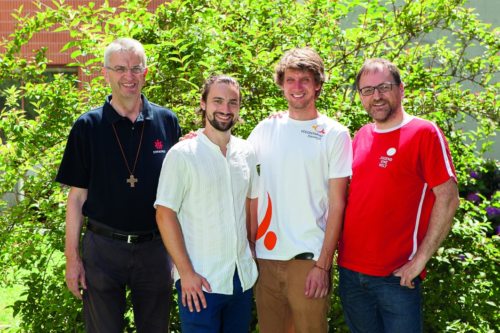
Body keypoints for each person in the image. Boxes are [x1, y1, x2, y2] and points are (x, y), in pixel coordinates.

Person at [55, 38, 181, 332]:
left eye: (136, 68)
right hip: (103, 249)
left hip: (155, 248)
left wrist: (179, 254)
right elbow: (76, 199)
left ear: (145, 72)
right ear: (106, 73)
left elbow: (180, 193)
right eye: (121, 68)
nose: (129, 76)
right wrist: (72, 259)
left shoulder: (167, 122)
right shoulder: (87, 127)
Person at [337, 58, 460, 333]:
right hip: (350, 274)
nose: (376, 96)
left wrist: (420, 260)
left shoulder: (424, 132)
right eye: (367, 90)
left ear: (401, 89)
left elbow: (449, 197)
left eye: (383, 87)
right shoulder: (361, 136)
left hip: (396, 277)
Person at [248, 48, 353, 332]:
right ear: (281, 84)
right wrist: (197, 140)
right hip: (266, 258)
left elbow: (337, 204)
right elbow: (234, 166)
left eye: (304, 80)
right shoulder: (264, 129)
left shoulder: (335, 134)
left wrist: (323, 266)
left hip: (308, 261)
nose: (297, 87)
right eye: (290, 80)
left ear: (317, 84)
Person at [155, 75, 259, 333]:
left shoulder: (247, 152)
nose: (225, 109)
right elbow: (165, 215)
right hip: (200, 283)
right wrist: (186, 273)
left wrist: (251, 250)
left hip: (241, 280)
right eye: (218, 101)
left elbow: (249, 204)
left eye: (233, 102)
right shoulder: (182, 155)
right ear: (203, 103)